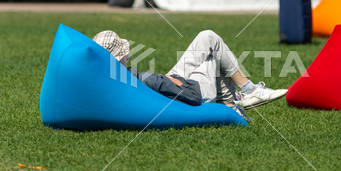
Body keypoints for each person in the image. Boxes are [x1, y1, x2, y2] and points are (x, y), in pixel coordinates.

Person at [93, 30, 288, 121]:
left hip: (168, 86)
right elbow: (192, 96)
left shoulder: (105, 79)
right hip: (189, 92)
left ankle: (241, 96)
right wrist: (171, 81)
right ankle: (244, 95)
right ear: (122, 58)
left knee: (207, 38)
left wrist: (167, 79)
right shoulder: (139, 80)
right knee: (213, 52)